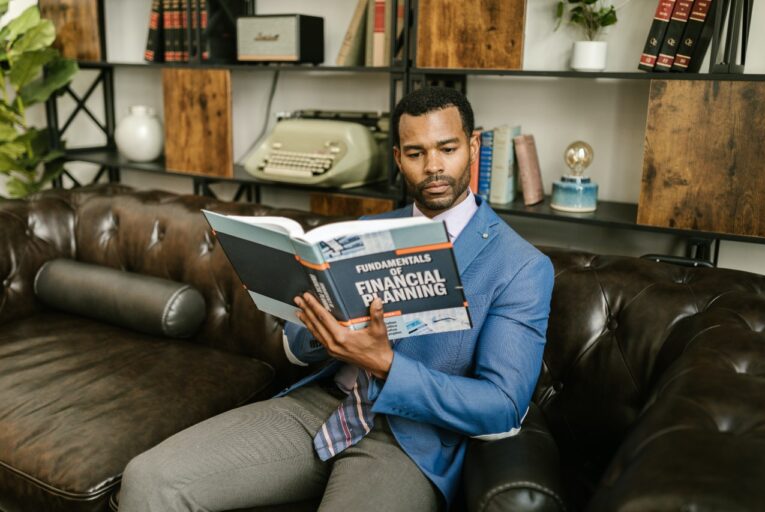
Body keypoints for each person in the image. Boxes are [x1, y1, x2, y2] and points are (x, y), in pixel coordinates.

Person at [119, 86, 554, 512]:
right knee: (150, 478)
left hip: (409, 440)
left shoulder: (520, 266)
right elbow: (295, 345)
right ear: (399, 158)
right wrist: (318, 327)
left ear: (473, 146)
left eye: (447, 148)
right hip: (322, 403)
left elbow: (503, 408)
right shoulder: (366, 229)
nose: (434, 167)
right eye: (417, 153)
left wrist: (386, 364)